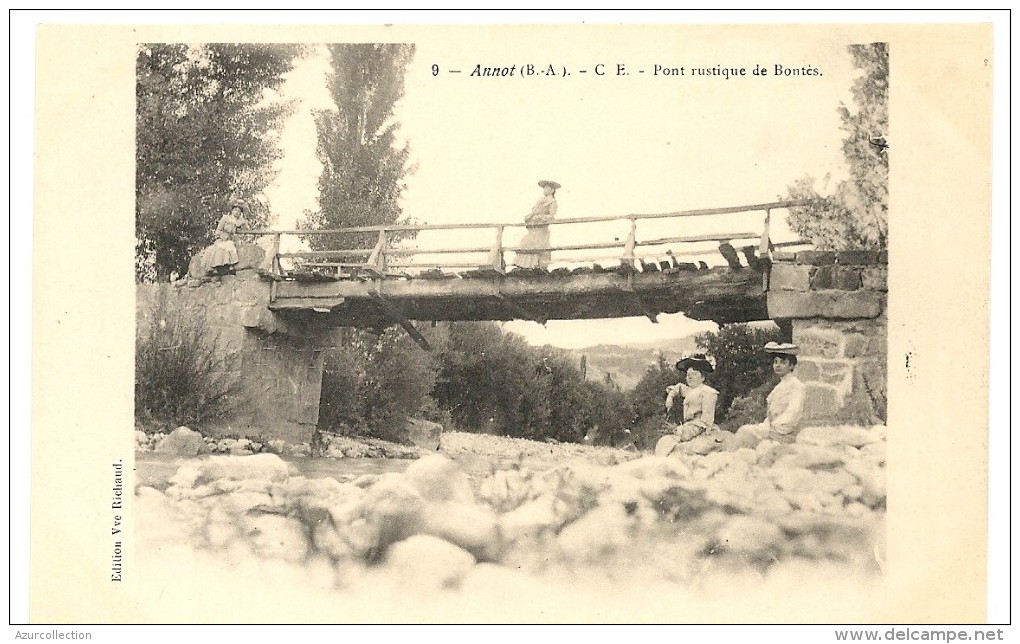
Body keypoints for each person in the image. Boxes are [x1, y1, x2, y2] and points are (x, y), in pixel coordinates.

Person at [725, 342, 806, 450]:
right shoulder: (778, 387)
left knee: (746, 431)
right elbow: (770, 415)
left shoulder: (797, 386)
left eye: (783, 362)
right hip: (772, 429)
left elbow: (793, 412)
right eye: (775, 362)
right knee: (746, 432)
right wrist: (766, 427)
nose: (777, 365)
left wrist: (773, 428)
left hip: (785, 433)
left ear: (791, 365)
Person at [654, 354, 723, 457]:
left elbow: (706, 420)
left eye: (694, 374)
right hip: (688, 428)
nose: (689, 377)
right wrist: (670, 397)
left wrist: (682, 431)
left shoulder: (707, 392)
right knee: (664, 442)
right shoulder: (690, 390)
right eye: (687, 374)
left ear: (702, 377)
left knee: (694, 447)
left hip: (703, 430)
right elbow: (679, 387)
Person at [516, 180, 559, 269]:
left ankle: (537, 267)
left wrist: (540, 217)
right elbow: (533, 211)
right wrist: (530, 217)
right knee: (524, 243)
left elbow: (551, 216)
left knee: (536, 246)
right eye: (544, 188)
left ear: (552, 190)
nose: (545, 190)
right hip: (533, 227)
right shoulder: (541, 199)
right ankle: (526, 267)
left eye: (547, 188)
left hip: (541, 228)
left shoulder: (552, 201)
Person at [206, 198, 250, 275]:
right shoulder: (225, 218)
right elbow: (218, 230)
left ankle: (231, 266)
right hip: (222, 238)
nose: (237, 212)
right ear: (232, 211)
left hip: (232, 239)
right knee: (220, 247)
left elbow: (247, 230)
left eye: (239, 211)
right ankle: (215, 267)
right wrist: (221, 236)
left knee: (230, 246)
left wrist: (243, 222)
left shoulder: (240, 221)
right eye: (235, 210)